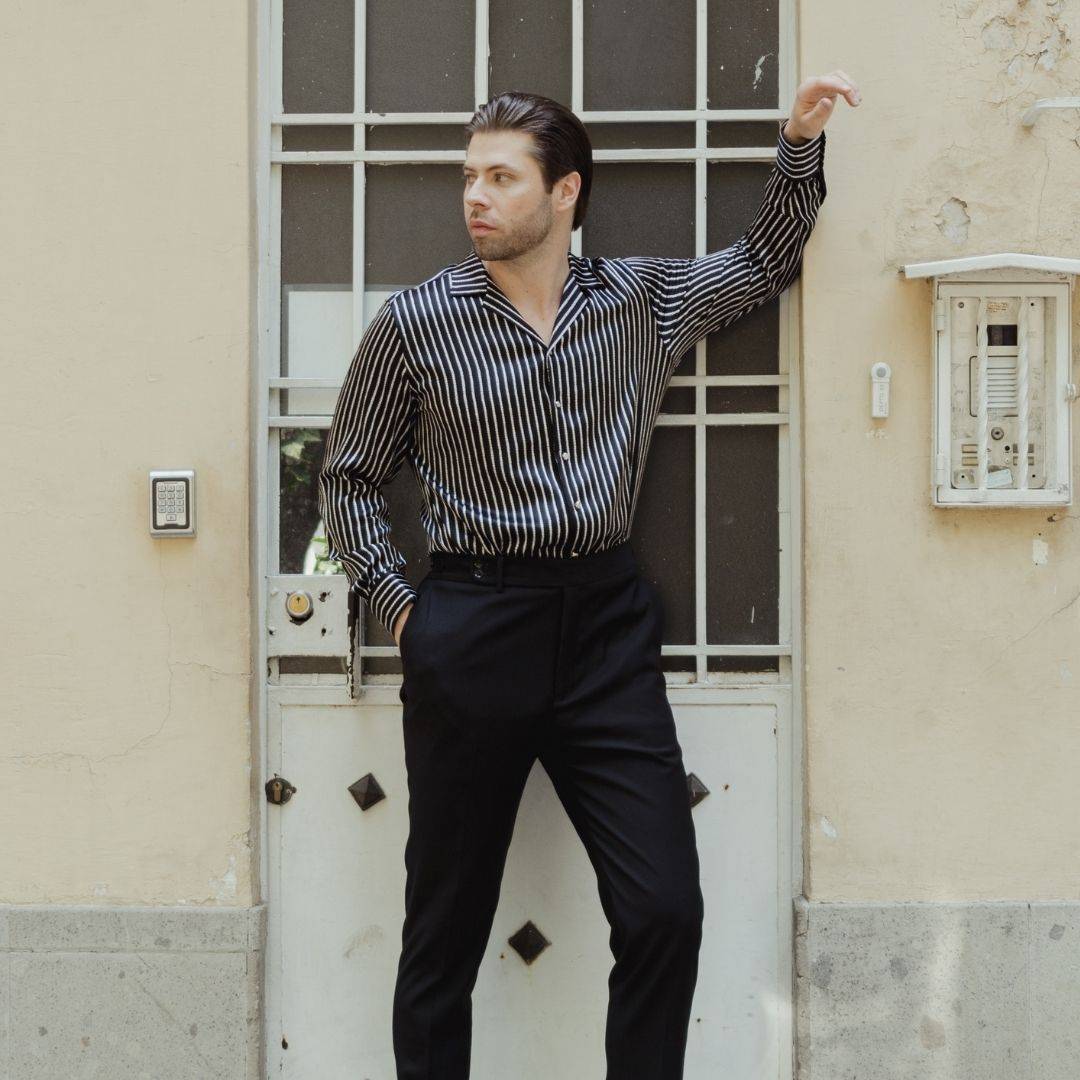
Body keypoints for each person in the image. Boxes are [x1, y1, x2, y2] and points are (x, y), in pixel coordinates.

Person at [318, 73, 859, 1080]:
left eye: (501, 177)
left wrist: (798, 143)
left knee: (663, 909)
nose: (475, 196)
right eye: (468, 176)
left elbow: (766, 261)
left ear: (566, 192)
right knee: (444, 932)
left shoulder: (641, 303)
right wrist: (403, 614)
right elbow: (348, 477)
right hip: (472, 623)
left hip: (605, 628)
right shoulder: (417, 324)